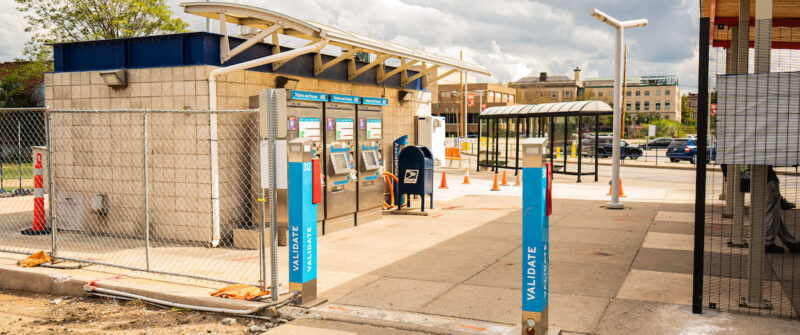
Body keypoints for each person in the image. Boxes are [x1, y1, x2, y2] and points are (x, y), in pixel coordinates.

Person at [765, 166, 800, 253]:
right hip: (768, 181)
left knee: (774, 215)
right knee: (772, 214)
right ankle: (767, 243)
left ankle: (790, 242)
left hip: (763, 182)